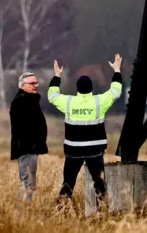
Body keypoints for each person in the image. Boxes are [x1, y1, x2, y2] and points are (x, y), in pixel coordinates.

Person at [47, 54, 122, 209]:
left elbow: (52, 96)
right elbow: (116, 91)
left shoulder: (68, 102)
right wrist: (117, 70)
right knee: (99, 182)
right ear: (91, 88)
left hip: (73, 150)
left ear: (77, 89)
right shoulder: (99, 102)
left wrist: (57, 76)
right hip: (95, 150)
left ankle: (59, 210)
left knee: (68, 182)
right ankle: (105, 212)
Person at [10, 72, 49, 204]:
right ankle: (23, 213)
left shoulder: (30, 100)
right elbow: (23, 128)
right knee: (28, 184)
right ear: (22, 85)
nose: (35, 86)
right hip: (26, 149)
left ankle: (25, 212)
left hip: (31, 148)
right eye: (32, 83)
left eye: (36, 83)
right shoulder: (21, 101)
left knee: (30, 183)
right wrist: (31, 145)